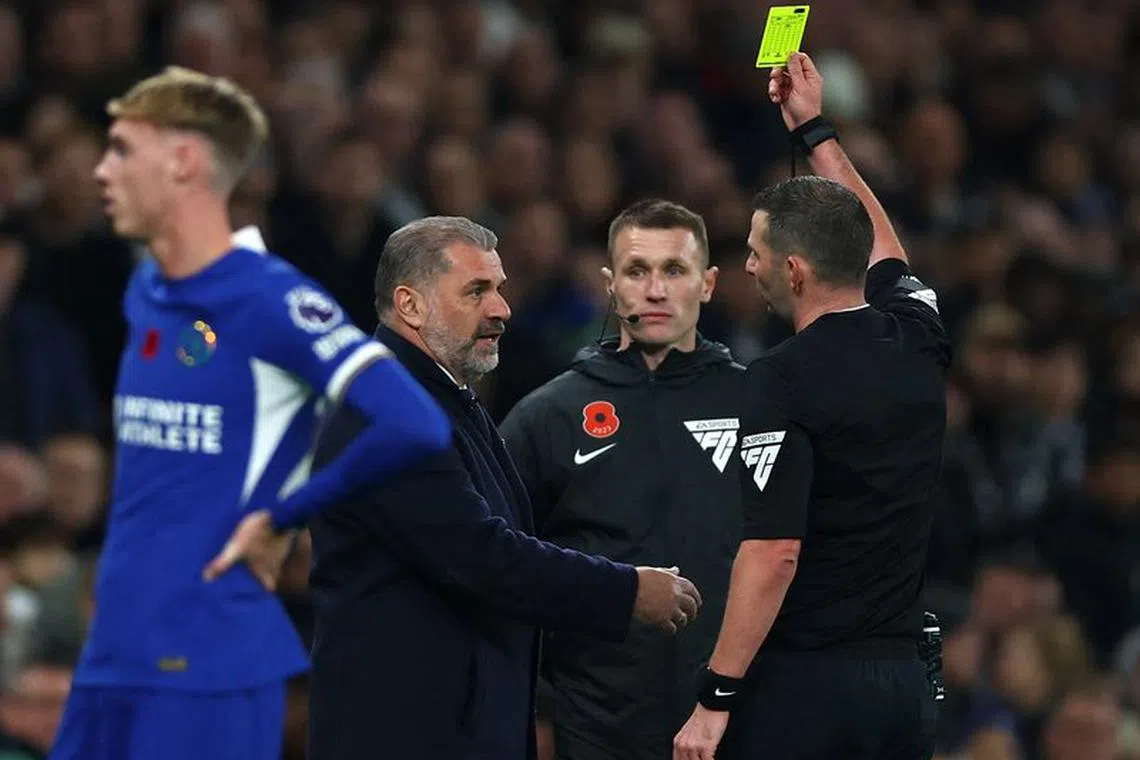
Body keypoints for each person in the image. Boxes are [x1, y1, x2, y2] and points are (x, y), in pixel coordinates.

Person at [49, 67, 453, 760]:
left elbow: (414, 422)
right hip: (113, 655)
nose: (100, 170)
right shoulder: (148, 288)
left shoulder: (273, 299)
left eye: (121, 149)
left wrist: (285, 516)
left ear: (183, 161)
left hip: (208, 664)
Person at [299, 216, 704, 760]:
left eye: (500, 288)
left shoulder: (447, 398)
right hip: (403, 734)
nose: (502, 310)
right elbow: (482, 556)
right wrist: (626, 591)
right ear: (411, 305)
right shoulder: (384, 410)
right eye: (477, 291)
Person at [673, 52, 951, 760]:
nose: (748, 265)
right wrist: (815, 128)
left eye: (756, 251)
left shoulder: (780, 378)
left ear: (792, 271)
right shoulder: (919, 336)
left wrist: (715, 698)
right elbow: (882, 245)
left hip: (811, 691)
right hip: (902, 689)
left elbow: (775, 553)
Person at [499, 199, 744, 759]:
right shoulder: (548, 416)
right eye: (637, 271)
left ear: (707, 284)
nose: (655, 291)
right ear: (610, 286)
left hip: (735, 716)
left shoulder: (759, 404)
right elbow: (503, 562)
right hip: (595, 722)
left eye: (674, 271)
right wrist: (535, 703)